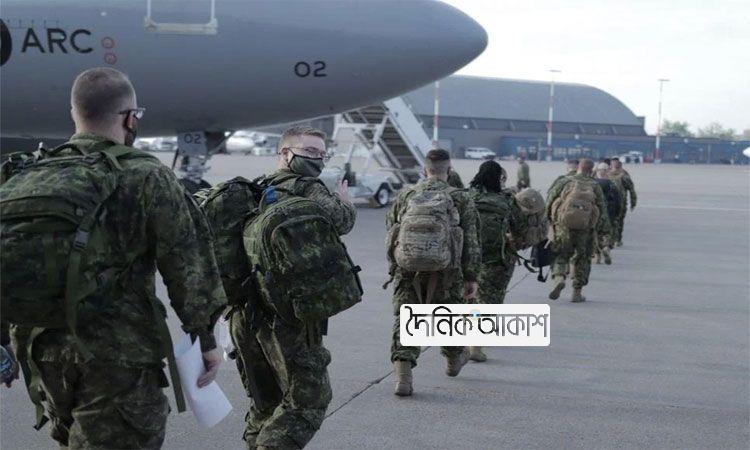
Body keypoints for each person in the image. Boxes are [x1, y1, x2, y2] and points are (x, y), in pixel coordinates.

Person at [2, 67, 227, 449]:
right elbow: (188, 264)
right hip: (116, 357)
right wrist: (206, 340)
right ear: (130, 118)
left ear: (75, 113)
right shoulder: (145, 176)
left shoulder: (25, 173)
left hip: (43, 356)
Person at [230, 126, 356, 449]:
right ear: (285, 153)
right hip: (287, 318)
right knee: (308, 402)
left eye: (322, 154)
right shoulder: (308, 188)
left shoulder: (255, 188)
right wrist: (346, 202)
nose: (317, 160)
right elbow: (342, 221)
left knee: (266, 403)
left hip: (246, 315)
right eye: (310, 151)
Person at [386, 149, 480, 396]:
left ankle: (403, 377)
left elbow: (392, 230)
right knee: (448, 318)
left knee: (407, 320)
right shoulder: (460, 197)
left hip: (408, 270)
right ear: (449, 170)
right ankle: (453, 361)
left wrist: (395, 266)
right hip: (448, 272)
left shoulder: (407, 194)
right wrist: (471, 276)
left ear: (424, 170)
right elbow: (471, 240)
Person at [468, 161, 528, 362]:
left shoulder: (466, 196)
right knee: (488, 302)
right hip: (496, 260)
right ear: (499, 179)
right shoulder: (507, 200)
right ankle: (475, 346)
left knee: (466, 299)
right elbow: (521, 228)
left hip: (466, 259)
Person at [545, 159, 610, 303]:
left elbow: (549, 200)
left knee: (560, 255)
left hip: (563, 226)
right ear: (591, 171)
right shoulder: (595, 185)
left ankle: (559, 278)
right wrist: (604, 232)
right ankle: (576, 293)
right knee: (583, 259)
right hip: (585, 229)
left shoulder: (564, 181)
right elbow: (602, 210)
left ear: (578, 168)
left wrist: (547, 221)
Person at [593, 162, 622, 265]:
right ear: (607, 171)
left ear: (597, 171)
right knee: (608, 233)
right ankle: (606, 248)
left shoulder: (593, 183)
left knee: (595, 233)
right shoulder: (612, 184)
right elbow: (618, 201)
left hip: (596, 212)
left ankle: (597, 256)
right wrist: (617, 214)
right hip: (609, 212)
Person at [609, 158, 637, 246]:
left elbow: (631, 189)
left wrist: (633, 202)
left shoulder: (623, 175)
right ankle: (615, 239)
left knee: (617, 220)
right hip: (614, 202)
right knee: (616, 221)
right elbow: (632, 190)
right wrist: (633, 203)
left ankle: (616, 239)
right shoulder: (608, 173)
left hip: (618, 202)